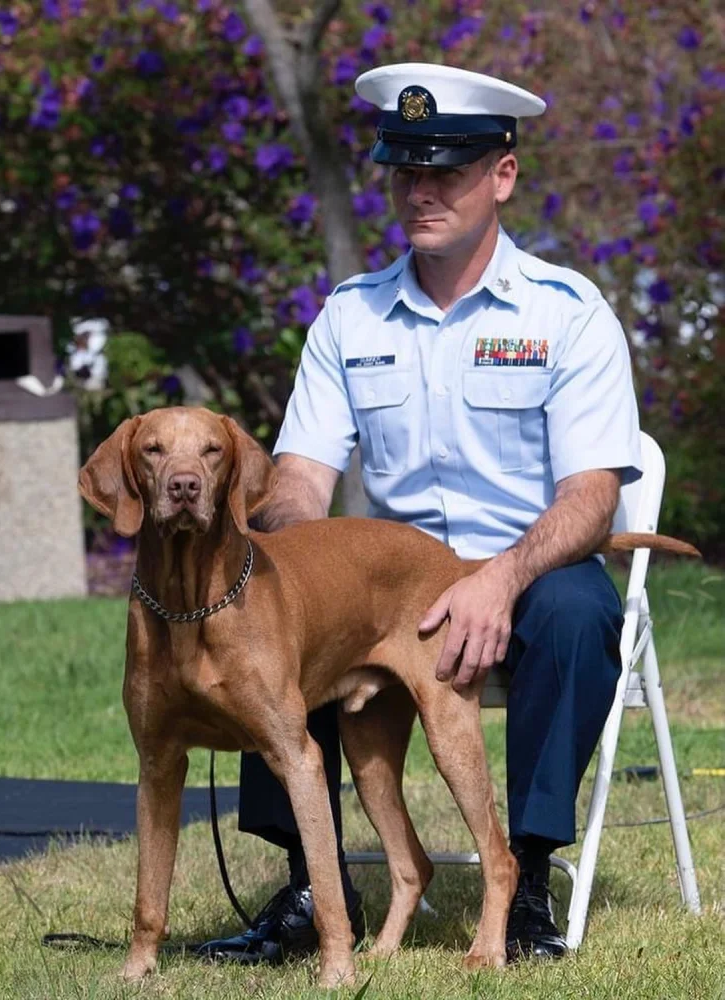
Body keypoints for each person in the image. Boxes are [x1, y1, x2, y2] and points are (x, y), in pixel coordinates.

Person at [195, 62, 641, 966]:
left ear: (503, 175)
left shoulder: (567, 313)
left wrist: (501, 578)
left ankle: (529, 882)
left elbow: (592, 498)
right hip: (388, 588)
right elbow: (301, 480)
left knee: (579, 611)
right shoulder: (351, 319)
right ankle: (311, 892)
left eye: (447, 170)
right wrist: (257, 534)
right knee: (271, 590)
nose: (421, 191)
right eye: (406, 171)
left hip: (527, 572)